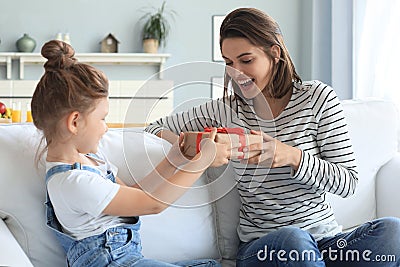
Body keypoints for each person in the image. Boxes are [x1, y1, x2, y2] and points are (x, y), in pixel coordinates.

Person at [145, 7, 400, 267]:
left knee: (393, 232)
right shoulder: (225, 110)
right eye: (229, 63)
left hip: (326, 242)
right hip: (264, 248)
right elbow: (153, 127)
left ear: (274, 53)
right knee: (294, 241)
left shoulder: (317, 99)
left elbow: (348, 183)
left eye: (246, 60)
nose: (236, 73)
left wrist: (291, 156)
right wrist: (201, 144)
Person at [30, 40, 231, 267]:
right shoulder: (72, 182)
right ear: (75, 122)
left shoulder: (92, 161)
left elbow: (134, 193)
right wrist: (202, 161)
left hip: (128, 260)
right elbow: (152, 204)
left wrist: (174, 160)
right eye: (102, 118)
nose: (106, 127)